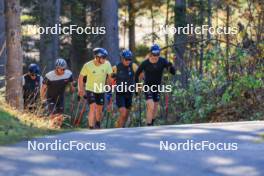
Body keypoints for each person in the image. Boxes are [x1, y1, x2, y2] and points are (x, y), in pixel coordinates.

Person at [135, 44, 175, 126]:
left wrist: (170, 66)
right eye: (153, 54)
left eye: (157, 54)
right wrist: (137, 88)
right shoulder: (145, 63)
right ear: (150, 54)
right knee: (151, 105)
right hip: (147, 87)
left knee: (155, 108)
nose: (155, 56)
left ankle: (151, 123)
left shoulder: (162, 61)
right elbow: (136, 74)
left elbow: (173, 72)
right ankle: (148, 126)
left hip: (157, 87)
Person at [78, 48, 113, 129]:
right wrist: (80, 89)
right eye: (103, 57)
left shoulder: (107, 64)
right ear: (97, 57)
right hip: (90, 89)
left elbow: (110, 77)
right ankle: (91, 128)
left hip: (101, 89)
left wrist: (112, 82)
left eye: (105, 57)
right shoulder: (88, 65)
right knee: (93, 107)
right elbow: (80, 77)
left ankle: (97, 123)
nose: (105, 59)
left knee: (99, 110)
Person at [40, 58, 74, 128]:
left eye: (64, 69)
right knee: (53, 114)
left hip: (61, 98)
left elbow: (71, 85)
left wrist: (72, 92)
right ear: (56, 68)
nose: (63, 71)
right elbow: (43, 88)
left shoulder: (68, 74)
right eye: (61, 69)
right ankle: (52, 127)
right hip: (50, 98)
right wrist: (42, 99)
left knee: (60, 115)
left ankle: (58, 128)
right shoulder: (49, 76)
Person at [111, 49, 138, 128]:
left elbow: (140, 74)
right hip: (120, 94)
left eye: (130, 59)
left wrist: (138, 87)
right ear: (122, 58)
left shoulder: (133, 66)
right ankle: (117, 131)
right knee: (123, 113)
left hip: (129, 94)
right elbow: (109, 78)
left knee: (126, 115)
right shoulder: (116, 67)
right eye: (126, 59)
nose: (128, 61)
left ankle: (120, 128)